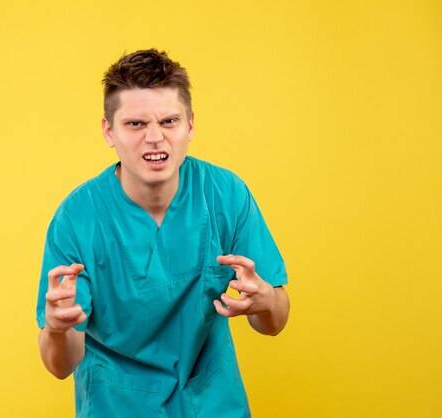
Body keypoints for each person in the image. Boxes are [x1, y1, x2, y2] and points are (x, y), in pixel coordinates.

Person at [36, 49, 290, 418]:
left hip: (212, 403)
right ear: (109, 131)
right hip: (118, 406)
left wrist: (265, 300)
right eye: (135, 124)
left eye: (169, 121)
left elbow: (276, 322)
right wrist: (57, 329)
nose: (155, 137)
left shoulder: (225, 194)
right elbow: (60, 365)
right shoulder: (77, 219)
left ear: (191, 125)